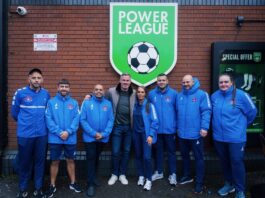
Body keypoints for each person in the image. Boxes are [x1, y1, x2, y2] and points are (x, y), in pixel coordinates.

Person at [211, 73, 257, 198]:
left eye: (226, 82)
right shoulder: (214, 96)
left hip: (236, 138)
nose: (223, 84)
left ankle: (240, 189)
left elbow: (253, 112)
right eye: (221, 82)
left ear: (231, 83)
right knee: (224, 162)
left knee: (236, 162)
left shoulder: (241, 95)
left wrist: (242, 126)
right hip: (219, 137)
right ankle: (229, 184)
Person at [11, 68, 50, 198]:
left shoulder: (46, 94)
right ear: (29, 79)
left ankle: (38, 188)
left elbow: (47, 113)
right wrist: (25, 124)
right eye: (34, 78)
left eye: (39, 78)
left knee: (40, 162)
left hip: (41, 135)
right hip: (25, 135)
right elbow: (14, 113)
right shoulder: (20, 93)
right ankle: (23, 189)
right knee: (24, 162)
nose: (36, 80)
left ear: (42, 80)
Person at [45, 79, 81, 198]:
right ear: (57, 88)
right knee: (55, 161)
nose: (64, 88)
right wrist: (60, 132)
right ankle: (52, 185)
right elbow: (48, 120)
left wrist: (68, 132)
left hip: (70, 138)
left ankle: (73, 183)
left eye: (66, 86)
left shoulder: (74, 103)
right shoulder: (51, 102)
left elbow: (77, 119)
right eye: (62, 86)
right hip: (55, 138)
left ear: (69, 89)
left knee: (70, 160)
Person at [176, 75, 211, 194]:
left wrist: (204, 127)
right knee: (185, 156)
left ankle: (199, 183)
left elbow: (206, 111)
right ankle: (187, 176)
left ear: (193, 81)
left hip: (196, 134)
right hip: (182, 134)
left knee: (199, 158)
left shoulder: (202, 95)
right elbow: (176, 113)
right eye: (184, 82)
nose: (186, 84)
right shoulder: (180, 95)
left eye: (188, 82)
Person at [80, 84, 114, 197]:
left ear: (103, 91)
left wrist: (103, 134)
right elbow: (83, 120)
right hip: (90, 138)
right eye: (96, 89)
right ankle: (90, 184)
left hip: (102, 138)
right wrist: (94, 133)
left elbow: (110, 120)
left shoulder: (108, 104)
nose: (99, 91)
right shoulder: (87, 103)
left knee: (96, 157)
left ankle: (94, 177)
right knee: (91, 158)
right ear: (93, 91)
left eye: (100, 90)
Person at [148, 73, 178, 185]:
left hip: (170, 130)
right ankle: (159, 172)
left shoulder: (174, 94)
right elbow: (149, 111)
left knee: (171, 152)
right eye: (159, 80)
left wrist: (176, 127)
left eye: (163, 80)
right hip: (157, 130)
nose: (161, 82)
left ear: (167, 81)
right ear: (157, 82)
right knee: (158, 152)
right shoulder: (151, 94)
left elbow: (178, 111)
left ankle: (173, 174)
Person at [107, 73, 136, 185]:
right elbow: (103, 101)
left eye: (127, 80)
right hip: (117, 127)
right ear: (120, 80)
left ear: (130, 82)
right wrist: (90, 96)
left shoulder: (133, 93)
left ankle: (122, 174)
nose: (125, 82)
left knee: (127, 151)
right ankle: (114, 174)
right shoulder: (111, 91)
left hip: (129, 127)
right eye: (123, 80)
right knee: (115, 151)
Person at [133, 86, 159, 191]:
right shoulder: (134, 105)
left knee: (147, 157)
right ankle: (141, 176)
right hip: (136, 134)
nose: (140, 93)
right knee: (138, 156)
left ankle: (148, 180)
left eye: (142, 92)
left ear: (145, 93)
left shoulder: (149, 106)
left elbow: (155, 121)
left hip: (146, 135)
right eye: (138, 92)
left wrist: (151, 135)